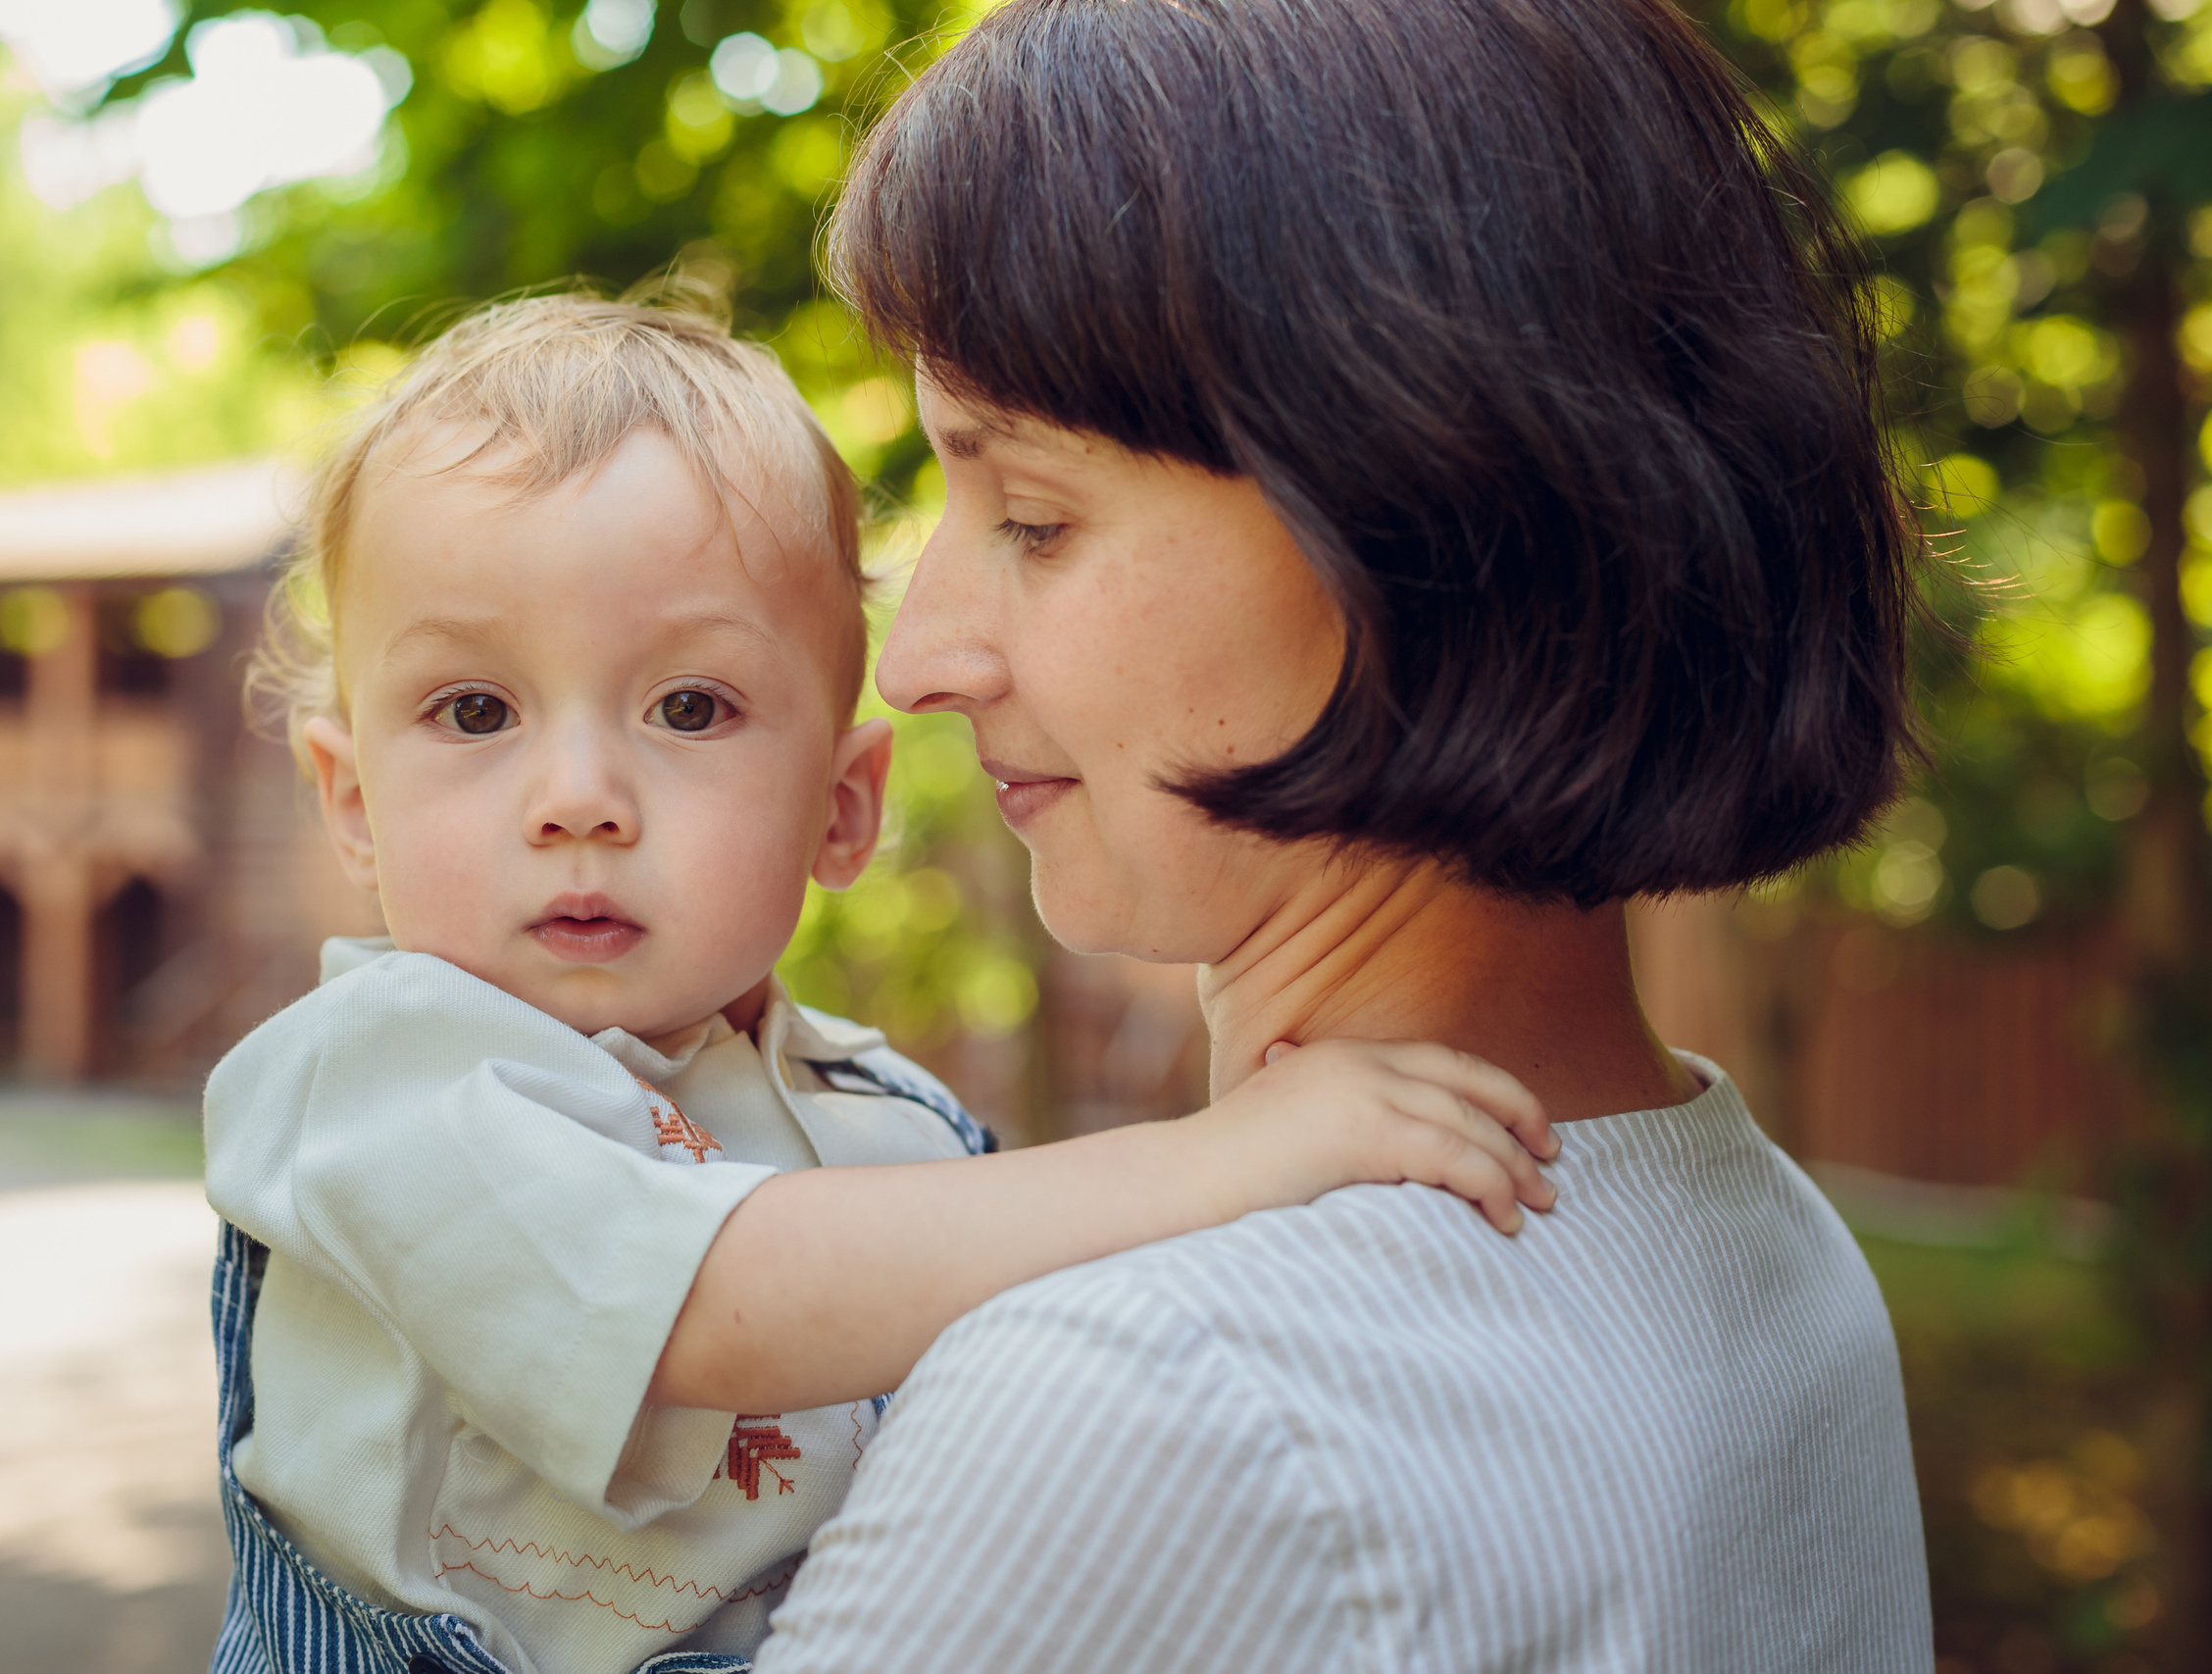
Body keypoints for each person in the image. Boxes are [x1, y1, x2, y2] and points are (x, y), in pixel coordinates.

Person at [750, 0, 1936, 1668]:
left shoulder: (1153, 1395)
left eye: (1033, 516)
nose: (923, 654)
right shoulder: (1764, 1247)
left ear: (1417, 509)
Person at [199, 294, 1563, 1674]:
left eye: (689, 708)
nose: (578, 800)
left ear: (843, 809)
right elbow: (718, 1307)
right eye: (475, 712)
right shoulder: (375, 1084)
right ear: (354, 798)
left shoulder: (891, 1123)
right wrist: (1231, 1159)